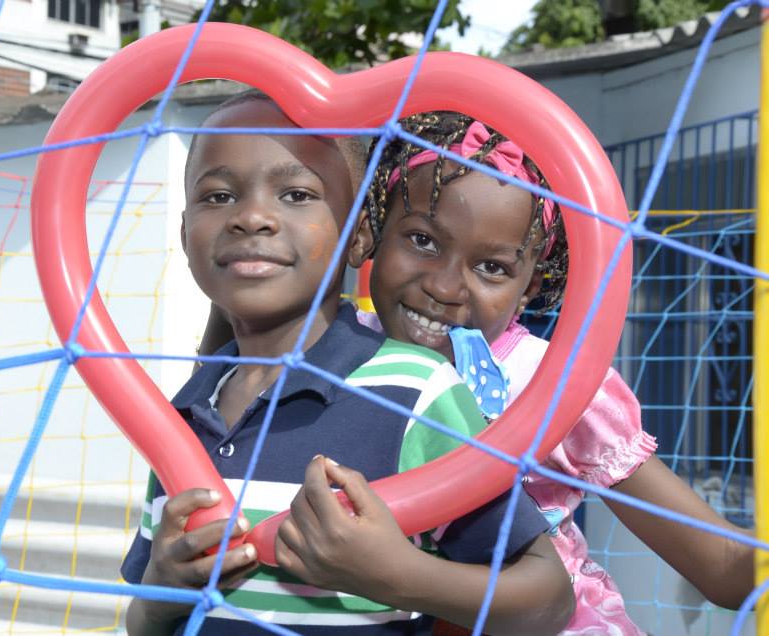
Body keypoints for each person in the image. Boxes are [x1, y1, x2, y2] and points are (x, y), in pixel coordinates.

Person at [121, 94, 574, 635]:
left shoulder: (418, 391)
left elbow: (547, 600)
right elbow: (143, 622)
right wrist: (158, 598)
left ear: (360, 235)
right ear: (183, 236)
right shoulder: (185, 411)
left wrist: (398, 575)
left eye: (296, 194)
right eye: (218, 195)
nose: (251, 217)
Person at [356, 111, 755, 635]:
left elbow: (721, 567)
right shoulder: (338, 354)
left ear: (528, 289)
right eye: (423, 241)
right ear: (374, 233)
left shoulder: (547, 382)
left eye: (492, 267)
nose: (446, 287)